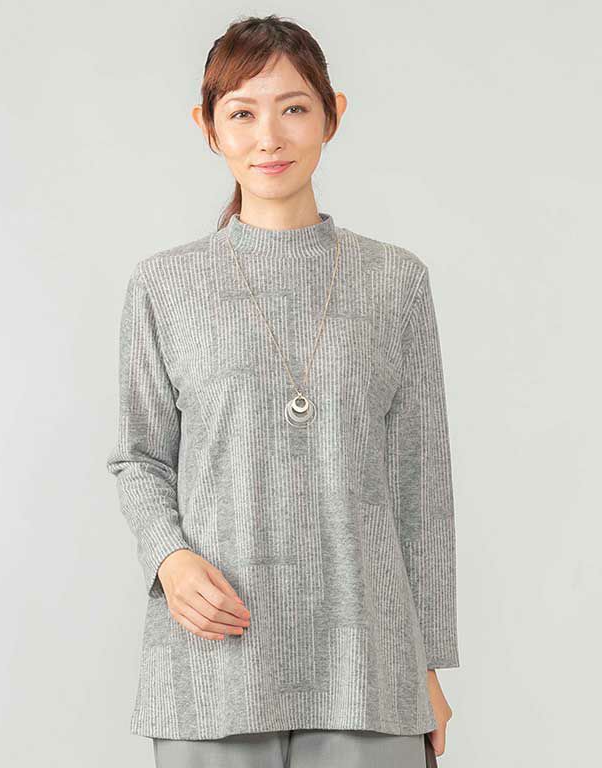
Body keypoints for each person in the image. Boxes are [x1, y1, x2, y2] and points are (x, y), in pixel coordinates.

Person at [106, 13, 460, 768]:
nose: (269, 137)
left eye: (294, 107)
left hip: (367, 663)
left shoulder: (396, 281)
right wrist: (169, 558)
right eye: (242, 113)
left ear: (333, 114)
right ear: (208, 128)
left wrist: (426, 665)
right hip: (213, 659)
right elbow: (139, 457)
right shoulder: (165, 284)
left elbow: (421, 486)